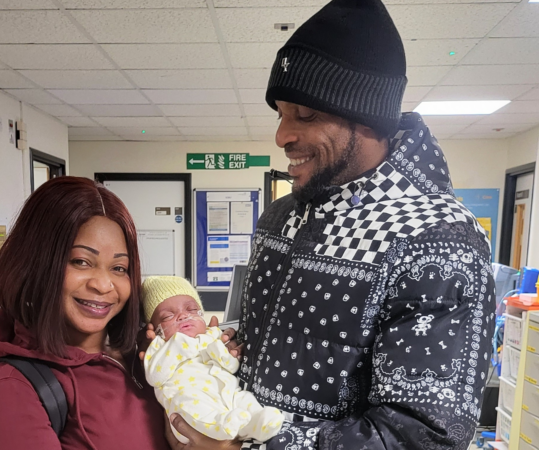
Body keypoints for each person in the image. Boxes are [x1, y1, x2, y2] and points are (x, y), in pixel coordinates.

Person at [164, 0, 496, 449]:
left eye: (307, 115)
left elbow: (420, 436)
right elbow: (270, 345)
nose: (282, 135)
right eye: (281, 113)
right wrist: (209, 350)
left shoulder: (436, 239)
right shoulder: (281, 217)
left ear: (368, 119)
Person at [0, 177, 170, 450]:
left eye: (119, 268)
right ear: (35, 263)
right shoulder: (15, 389)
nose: (102, 284)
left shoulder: (145, 355)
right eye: (81, 262)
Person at [142, 277, 283, 444]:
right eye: (168, 316)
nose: (183, 316)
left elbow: (230, 366)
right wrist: (179, 344)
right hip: (189, 407)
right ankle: (220, 426)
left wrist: (222, 354)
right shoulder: (160, 346)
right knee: (188, 404)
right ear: (156, 330)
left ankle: (256, 424)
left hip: (226, 394)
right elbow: (155, 377)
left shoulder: (213, 335)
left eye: (192, 309)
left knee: (242, 398)